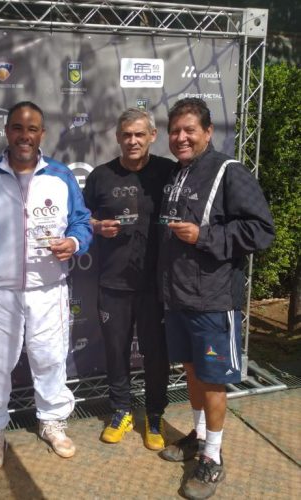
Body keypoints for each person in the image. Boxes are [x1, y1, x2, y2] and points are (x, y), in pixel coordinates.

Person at [158, 98, 274, 499]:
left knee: (212, 379)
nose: (181, 137)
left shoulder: (230, 171)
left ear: (208, 132)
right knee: (192, 372)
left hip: (213, 298)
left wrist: (204, 236)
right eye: (175, 131)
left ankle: (213, 457)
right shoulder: (177, 173)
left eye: (189, 130)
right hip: (179, 296)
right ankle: (199, 435)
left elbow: (261, 231)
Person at [0, 101, 92, 470]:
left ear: (42, 134)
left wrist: (74, 242)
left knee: (50, 357)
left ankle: (52, 420)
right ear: (7, 131)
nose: (25, 136)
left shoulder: (60, 175)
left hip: (48, 288)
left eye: (33, 129)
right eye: (18, 128)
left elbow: (81, 221)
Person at [83, 108, 174, 449]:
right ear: (118, 138)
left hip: (156, 285)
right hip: (113, 283)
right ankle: (120, 410)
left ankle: (154, 415)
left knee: (156, 354)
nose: (132, 141)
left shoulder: (168, 172)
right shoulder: (101, 176)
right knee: (116, 351)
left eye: (139, 134)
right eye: (126, 135)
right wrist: (95, 226)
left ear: (152, 136)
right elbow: (80, 218)